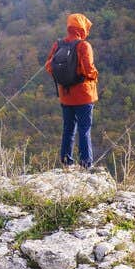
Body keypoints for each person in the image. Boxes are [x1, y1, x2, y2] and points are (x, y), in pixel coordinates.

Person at [45, 13, 99, 170]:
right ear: (82, 28)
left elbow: (49, 66)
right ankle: (86, 164)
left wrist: (65, 78)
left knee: (68, 129)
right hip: (83, 95)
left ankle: (66, 162)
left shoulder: (58, 45)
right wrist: (94, 76)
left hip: (66, 96)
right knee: (84, 129)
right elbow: (89, 70)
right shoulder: (84, 46)